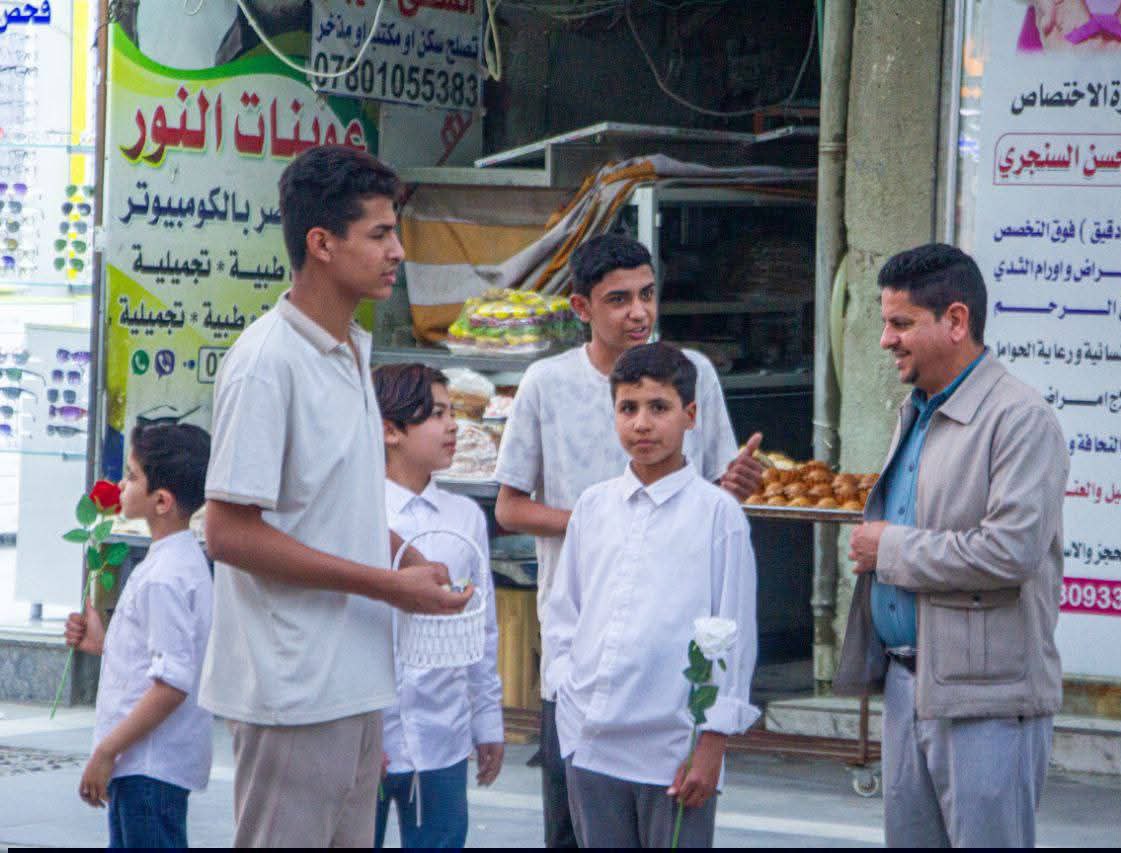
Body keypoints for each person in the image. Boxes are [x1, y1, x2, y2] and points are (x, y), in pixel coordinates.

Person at [198, 145, 471, 848]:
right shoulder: (267, 362)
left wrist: (404, 556)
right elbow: (227, 531)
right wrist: (387, 585)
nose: (397, 252)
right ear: (321, 243)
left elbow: (331, 507)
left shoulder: (351, 346)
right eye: (379, 234)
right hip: (291, 686)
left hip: (356, 678)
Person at [492, 233, 762, 847]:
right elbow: (509, 507)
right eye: (618, 300)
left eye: (647, 295)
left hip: (673, 684)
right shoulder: (547, 384)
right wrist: (612, 520)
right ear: (581, 307)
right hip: (585, 676)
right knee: (572, 833)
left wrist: (725, 490)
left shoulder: (695, 375)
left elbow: (718, 504)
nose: (638, 312)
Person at [836, 243, 1069, 847]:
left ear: (956, 321)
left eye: (901, 323)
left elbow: (1010, 552)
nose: (886, 340)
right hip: (908, 685)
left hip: (986, 700)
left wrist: (889, 550)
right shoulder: (917, 409)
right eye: (886, 322)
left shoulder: (1020, 418)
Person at [541, 342, 759, 848]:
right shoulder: (593, 507)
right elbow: (564, 613)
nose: (642, 424)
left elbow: (732, 634)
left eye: (659, 407)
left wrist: (711, 743)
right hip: (592, 740)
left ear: (690, 415)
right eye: (628, 408)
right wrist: (566, 692)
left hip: (675, 746)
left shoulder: (717, 514)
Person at [372, 363, 505, 848]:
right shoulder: (357, 511)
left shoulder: (464, 517)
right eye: (436, 415)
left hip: (441, 737)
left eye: (453, 413)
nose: (453, 427)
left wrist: (487, 721)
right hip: (370, 736)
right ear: (390, 430)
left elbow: (482, 628)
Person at [64, 423, 213, 848]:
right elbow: (158, 656)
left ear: (161, 501)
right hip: (146, 766)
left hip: (148, 766)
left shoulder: (166, 576)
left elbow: (172, 683)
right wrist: (102, 643)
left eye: (131, 476)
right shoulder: (175, 561)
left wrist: (107, 751)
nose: (121, 485)